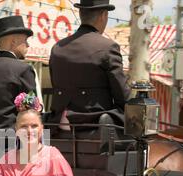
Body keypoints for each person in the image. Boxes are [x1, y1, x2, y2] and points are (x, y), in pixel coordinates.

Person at [48, 0, 130, 133]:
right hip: (95, 126)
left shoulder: (57, 48)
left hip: (58, 127)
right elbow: (123, 95)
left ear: (80, 13)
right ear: (103, 15)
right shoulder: (108, 47)